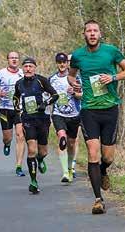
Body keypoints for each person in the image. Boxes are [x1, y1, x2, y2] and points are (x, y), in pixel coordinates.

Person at [68, 19, 125, 214]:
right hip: (89, 109)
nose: (92, 34)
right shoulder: (78, 55)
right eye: (88, 31)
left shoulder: (111, 51)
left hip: (110, 108)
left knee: (108, 157)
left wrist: (113, 77)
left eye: (95, 30)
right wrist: (74, 83)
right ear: (84, 34)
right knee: (92, 153)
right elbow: (71, 75)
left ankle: (104, 170)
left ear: (100, 33)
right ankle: (98, 199)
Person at [13, 57, 59, 194]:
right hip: (28, 120)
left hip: (43, 119)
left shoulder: (41, 80)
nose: (28, 69)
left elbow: (55, 95)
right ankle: (33, 181)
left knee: (43, 151)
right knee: (31, 150)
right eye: (25, 66)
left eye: (30, 66)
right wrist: (18, 113)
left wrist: (45, 104)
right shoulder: (19, 83)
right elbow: (15, 98)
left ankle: (40, 159)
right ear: (23, 69)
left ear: (34, 68)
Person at [0, 51, 26, 177]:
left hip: (19, 109)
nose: (14, 60)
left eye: (16, 58)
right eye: (12, 58)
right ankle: (7, 143)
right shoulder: (1, 73)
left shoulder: (23, 72)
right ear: (8, 60)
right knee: (8, 137)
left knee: (20, 136)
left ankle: (19, 166)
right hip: (5, 109)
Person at [49, 52, 82, 183]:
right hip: (58, 114)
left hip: (74, 115)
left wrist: (74, 93)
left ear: (67, 63)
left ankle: (70, 168)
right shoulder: (51, 79)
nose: (62, 64)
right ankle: (64, 173)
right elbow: (48, 96)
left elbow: (82, 96)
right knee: (62, 138)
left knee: (72, 143)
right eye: (59, 62)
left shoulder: (76, 78)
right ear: (56, 63)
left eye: (64, 62)